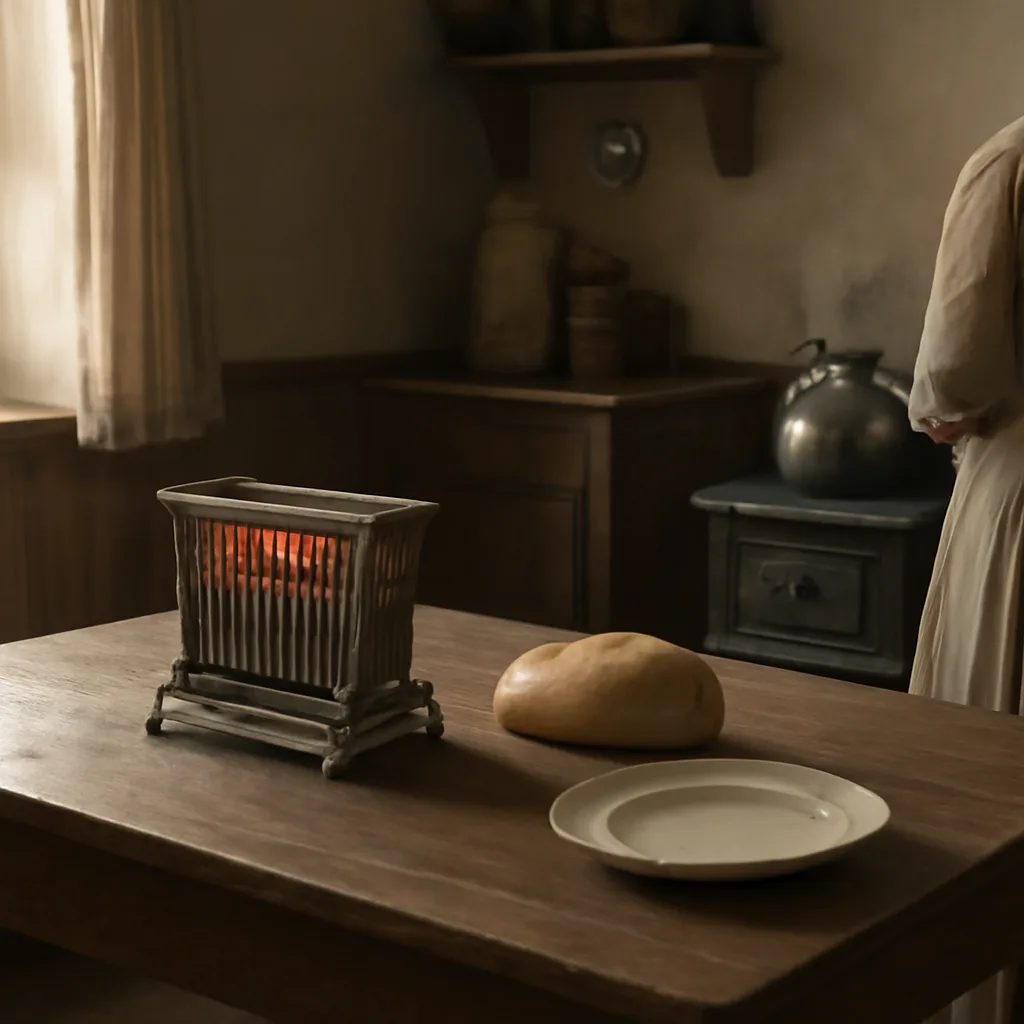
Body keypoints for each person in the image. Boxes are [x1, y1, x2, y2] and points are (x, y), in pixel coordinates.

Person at [908, 115, 1024, 1024]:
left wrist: (947, 412)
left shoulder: (1012, 159)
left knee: (987, 781)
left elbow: (954, 375)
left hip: (1019, 501)